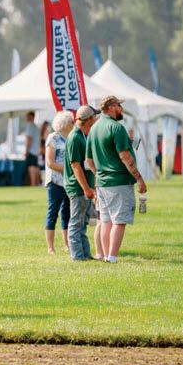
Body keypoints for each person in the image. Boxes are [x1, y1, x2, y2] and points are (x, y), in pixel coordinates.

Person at [85, 96, 147, 263]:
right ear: (111, 107)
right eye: (119, 105)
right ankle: (112, 257)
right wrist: (139, 179)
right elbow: (125, 156)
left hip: (102, 183)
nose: (121, 109)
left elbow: (89, 160)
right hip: (119, 182)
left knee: (106, 221)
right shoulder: (117, 127)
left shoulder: (94, 128)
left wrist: (99, 174)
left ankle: (107, 256)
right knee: (119, 221)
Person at [64, 105, 101, 261]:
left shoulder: (82, 135)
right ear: (89, 119)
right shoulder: (75, 137)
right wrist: (86, 188)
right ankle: (78, 257)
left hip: (84, 187)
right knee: (76, 223)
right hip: (78, 188)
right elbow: (75, 165)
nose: (97, 119)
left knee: (83, 223)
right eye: (95, 117)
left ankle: (86, 255)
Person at [43, 111, 73, 254]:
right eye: (71, 122)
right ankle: (50, 247)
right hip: (55, 181)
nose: (74, 124)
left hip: (68, 181)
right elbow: (50, 163)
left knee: (67, 212)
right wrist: (69, 169)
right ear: (65, 124)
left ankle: (67, 244)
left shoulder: (72, 137)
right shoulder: (53, 138)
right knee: (53, 212)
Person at [24, 111, 41, 186]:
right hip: (36, 151)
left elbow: (29, 139)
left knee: (31, 167)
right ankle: (36, 183)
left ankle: (33, 184)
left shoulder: (29, 125)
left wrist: (27, 150)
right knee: (36, 167)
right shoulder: (36, 127)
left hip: (31, 151)